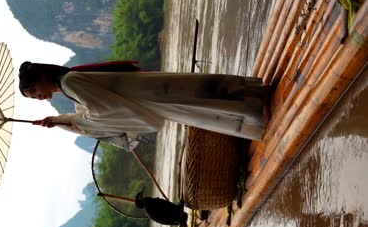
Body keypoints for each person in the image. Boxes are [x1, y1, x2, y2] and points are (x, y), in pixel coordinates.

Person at [19, 60, 269, 149]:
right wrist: (57, 121)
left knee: (200, 102)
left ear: (42, 77)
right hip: (151, 93)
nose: (38, 97)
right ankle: (256, 100)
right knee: (201, 97)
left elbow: (102, 110)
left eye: (34, 91)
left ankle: (257, 110)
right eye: (33, 97)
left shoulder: (71, 82)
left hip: (151, 96)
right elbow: (87, 111)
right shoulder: (68, 84)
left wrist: (67, 122)